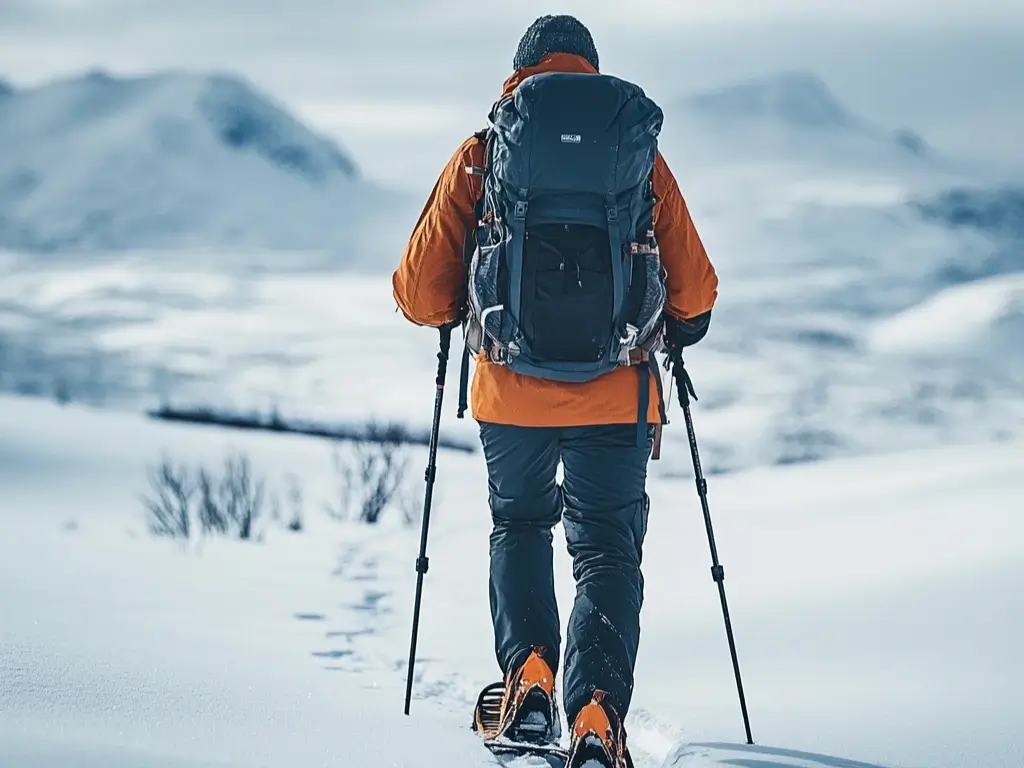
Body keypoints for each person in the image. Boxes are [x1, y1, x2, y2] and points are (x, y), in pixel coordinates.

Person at [392, 14, 718, 768]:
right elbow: (696, 292)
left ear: (520, 73)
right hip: (618, 391)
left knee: (520, 525)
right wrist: (677, 327)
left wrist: (458, 309)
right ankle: (598, 716)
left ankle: (530, 675)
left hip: (512, 391)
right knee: (606, 550)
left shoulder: (486, 152)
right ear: (592, 73)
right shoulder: (636, 154)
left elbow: (418, 293)